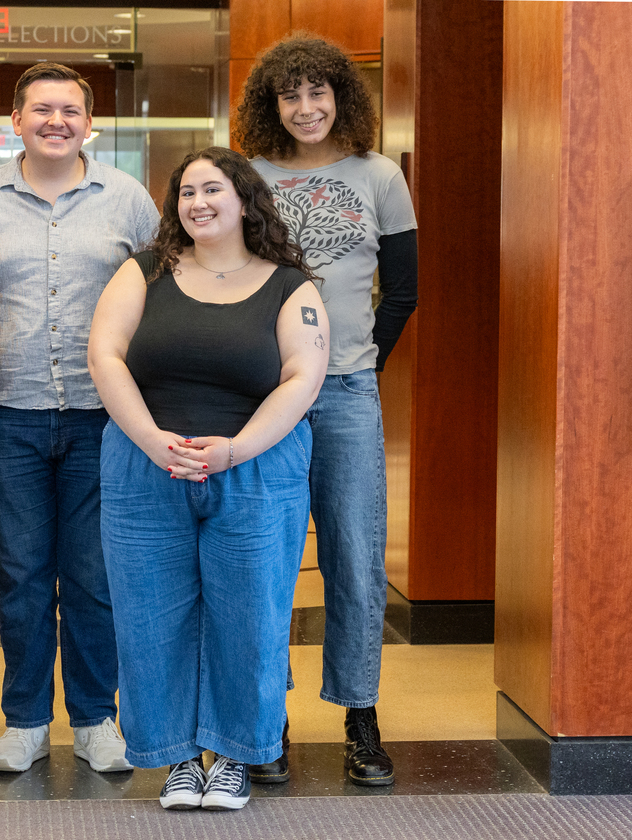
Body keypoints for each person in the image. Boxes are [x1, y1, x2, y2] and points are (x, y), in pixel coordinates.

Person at [88, 146, 328, 812]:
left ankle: (233, 757)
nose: (198, 202)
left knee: (249, 616)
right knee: (150, 617)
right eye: (187, 192)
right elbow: (105, 355)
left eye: (213, 189)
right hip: (146, 468)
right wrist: (152, 439)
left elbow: (302, 376)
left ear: (246, 200)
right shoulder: (144, 271)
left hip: (257, 470)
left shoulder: (289, 284)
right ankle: (177, 759)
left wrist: (237, 449)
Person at [0, 62, 158, 775]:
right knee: (21, 577)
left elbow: (162, 294)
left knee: (95, 577)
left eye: (70, 110)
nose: (56, 122)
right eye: (42, 109)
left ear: (88, 123)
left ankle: (97, 718)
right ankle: (26, 720)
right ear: (17, 120)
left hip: (105, 418)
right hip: (5, 415)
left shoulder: (128, 200)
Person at [235, 33, 419, 786]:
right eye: (291, 95)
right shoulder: (246, 176)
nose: (306, 108)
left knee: (354, 556)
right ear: (271, 104)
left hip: (346, 394)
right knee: (264, 560)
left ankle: (360, 717)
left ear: (341, 97)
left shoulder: (380, 176)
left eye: (318, 92)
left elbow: (403, 291)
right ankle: (265, 721)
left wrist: (362, 364)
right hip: (263, 396)